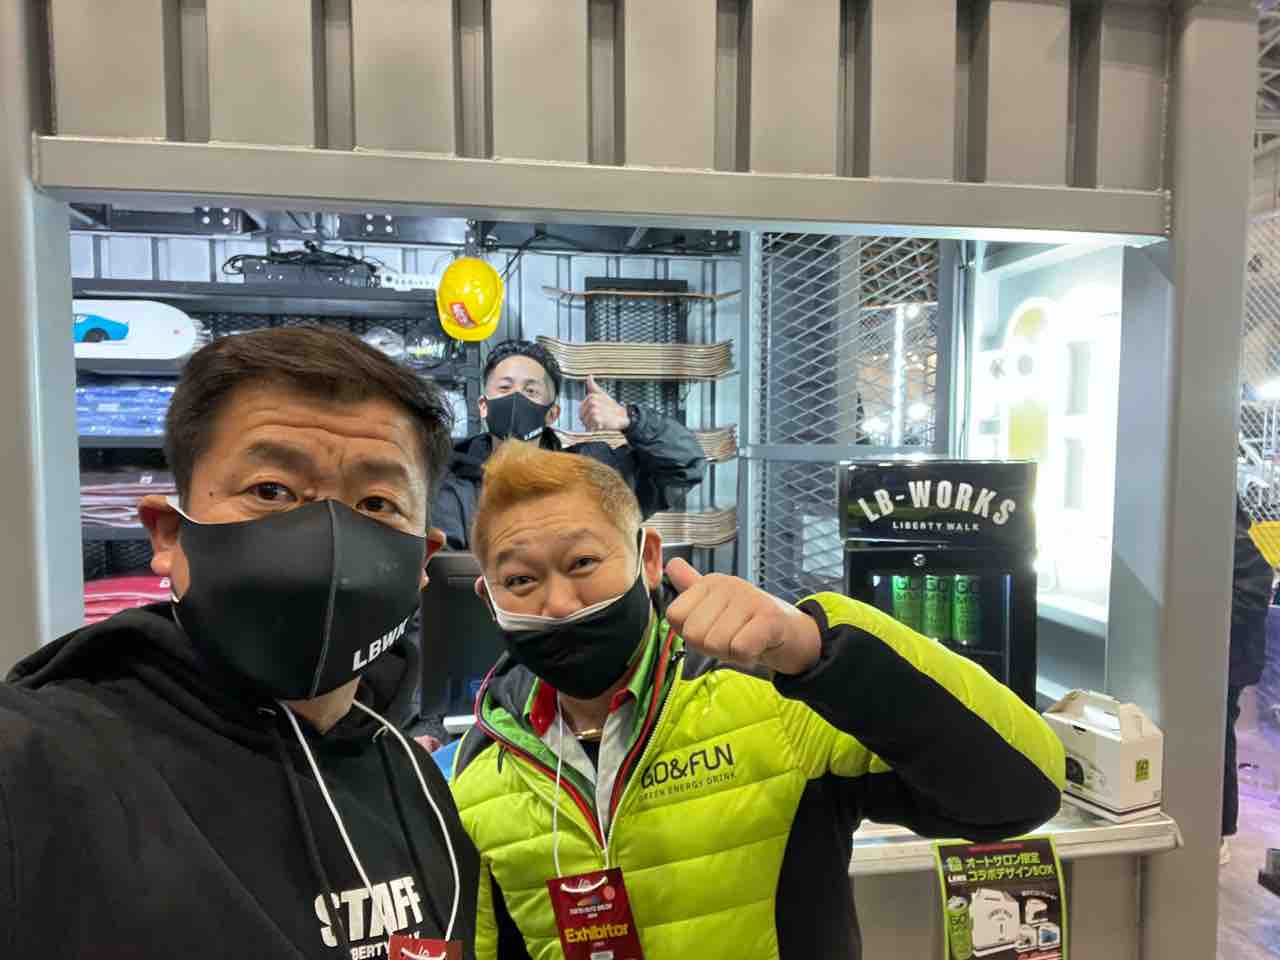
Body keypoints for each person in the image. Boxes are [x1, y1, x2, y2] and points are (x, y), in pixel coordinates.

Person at [449, 442, 1065, 960]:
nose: (559, 604)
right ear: (488, 597)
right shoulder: (479, 772)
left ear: (648, 559)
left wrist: (820, 649)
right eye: (521, 580)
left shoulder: (775, 702)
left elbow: (1020, 792)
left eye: (583, 562)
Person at [0, 328, 479, 958]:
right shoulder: (34, 769)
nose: (329, 536)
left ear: (423, 561)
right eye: (271, 490)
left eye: (376, 502)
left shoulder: (417, 785)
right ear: (170, 535)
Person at [433, 339, 705, 550]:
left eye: (530, 391)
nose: (516, 399)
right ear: (483, 406)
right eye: (505, 388)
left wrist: (629, 419)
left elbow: (685, 465)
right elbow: (442, 573)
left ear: (552, 414)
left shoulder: (591, 475)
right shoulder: (452, 486)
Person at [1222, 498, 1274, 865]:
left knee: (1218, 742)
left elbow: (1251, 597)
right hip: (1223, 661)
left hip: (1226, 664)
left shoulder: (1233, 540)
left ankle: (1218, 829)